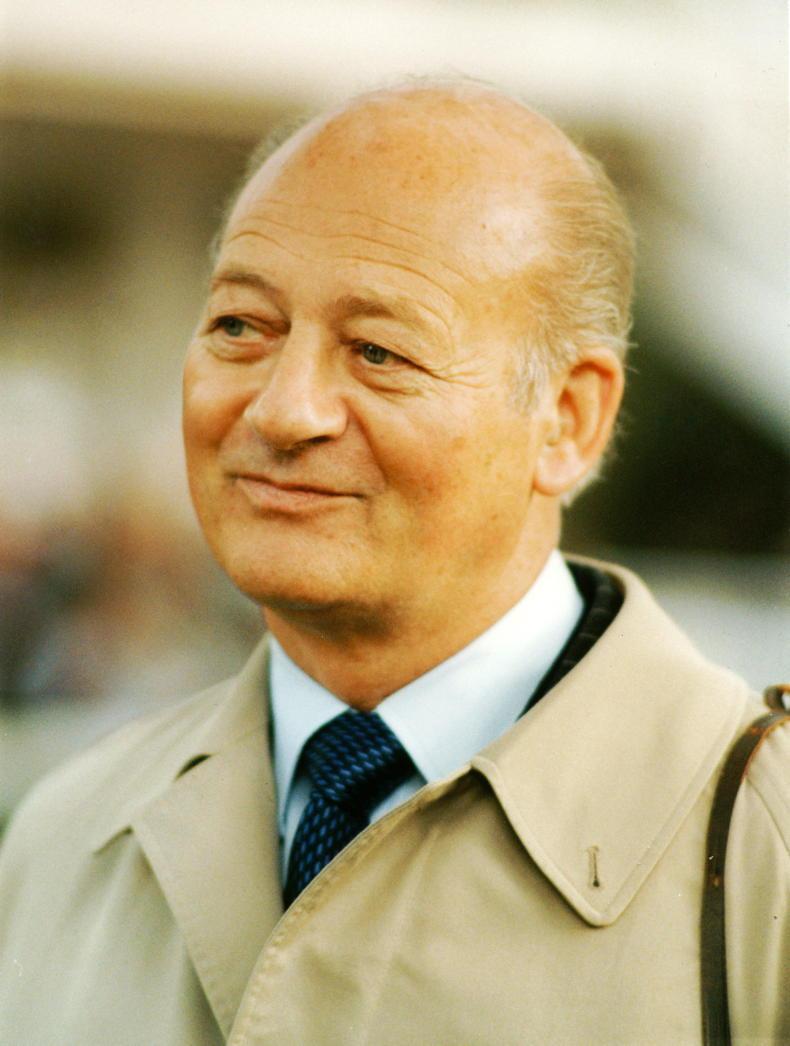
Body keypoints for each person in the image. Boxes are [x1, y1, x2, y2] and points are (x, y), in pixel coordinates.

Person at [0, 81, 786, 1046]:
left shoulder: (762, 855)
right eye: (240, 327)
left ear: (568, 419)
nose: (283, 411)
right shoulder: (69, 835)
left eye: (377, 351)